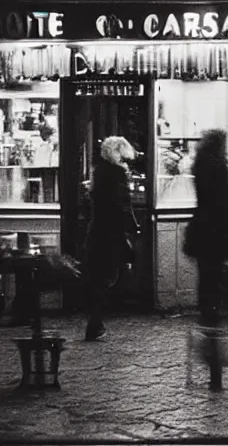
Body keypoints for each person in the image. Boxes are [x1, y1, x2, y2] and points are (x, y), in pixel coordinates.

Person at [184, 129, 228, 391]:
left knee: (207, 284)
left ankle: (210, 335)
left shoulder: (199, 167)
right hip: (219, 231)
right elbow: (225, 198)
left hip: (203, 231)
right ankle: (214, 355)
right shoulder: (221, 167)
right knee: (214, 283)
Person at [83, 136, 139, 341]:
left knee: (101, 277)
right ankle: (96, 321)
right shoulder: (117, 173)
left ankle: (96, 320)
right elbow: (122, 204)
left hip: (98, 230)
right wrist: (131, 226)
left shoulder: (99, 171)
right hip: (113, 232)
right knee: (113, 276)